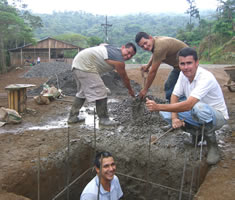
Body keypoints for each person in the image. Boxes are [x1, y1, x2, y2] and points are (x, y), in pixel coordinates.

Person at [145, 47, 229, 165]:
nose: (185, 67)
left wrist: (157, 106)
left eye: (189, 63)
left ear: (197, 63)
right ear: (178, 64)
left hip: (217, 117)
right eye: (182, 64)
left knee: (197, 107)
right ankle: (197, 134)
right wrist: (175, 118)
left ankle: (212, 145)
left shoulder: (205, 77)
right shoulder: (183, 75)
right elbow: (175, 96)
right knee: (166, 113)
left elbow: (189, 104)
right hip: (196, 111)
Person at [68, 43, 136, 126]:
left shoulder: (112, 48)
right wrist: (130, 90)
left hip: (78, 63)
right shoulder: (119, 61)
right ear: (123, 47)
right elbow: (124, 78)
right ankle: (104, 119)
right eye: (128, 52)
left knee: (82, 92)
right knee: (102, 91)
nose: (129, 56)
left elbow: (102, 44)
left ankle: (72, 117)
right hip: (85, 65)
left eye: (131, 55)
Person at [135, 32, 188, 101]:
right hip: (178, 67)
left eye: (145, 43)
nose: (145, 47)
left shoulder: (159, 47)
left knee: (180, 89)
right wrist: (147, 66)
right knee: (169, 86)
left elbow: (153, 72)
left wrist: (145, 89)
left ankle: (182, 106)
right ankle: (172, 104)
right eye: (142, 46)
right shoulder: (155, 41)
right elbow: (155, 55)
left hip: (187, 67)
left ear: (150, 38)